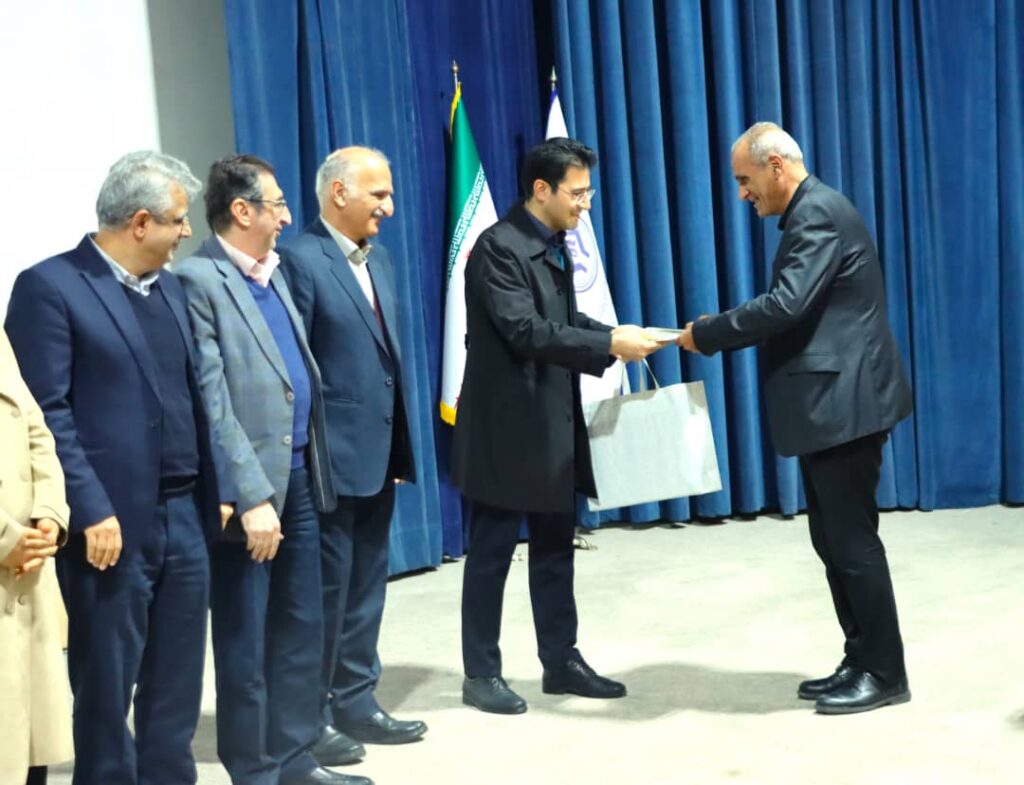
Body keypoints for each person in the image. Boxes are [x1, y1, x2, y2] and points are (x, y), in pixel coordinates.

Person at [5, 151, 226, 784]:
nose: (187, 232)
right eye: (178, 220)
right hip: (109, 523)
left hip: (185, 513)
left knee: (177, 678)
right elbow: (46, 413)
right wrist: (90, 508)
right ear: (140, 222)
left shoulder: (172, 289)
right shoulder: (50, 287)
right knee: (106, 683)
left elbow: (197, 397)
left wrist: (220, 487)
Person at [678, 121, 913, 715]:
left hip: (847, 404)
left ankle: (885, 673)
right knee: (831, 539)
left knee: (852, 542)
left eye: (745, 179)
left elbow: (786, 304)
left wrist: (708, 333)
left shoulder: (817, 215)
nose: (742, 193)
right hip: (833, 403)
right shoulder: (813, 212)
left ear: (776, 166)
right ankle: (861, 657)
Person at [175, 155, 369, 785]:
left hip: (302, 479)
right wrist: (250, 494)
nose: (287, 216)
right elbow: (213, 403)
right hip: (250, 494)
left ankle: (294, 757)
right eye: (277, 204)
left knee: (301, 626)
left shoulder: (274, 272)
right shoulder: (198, 280)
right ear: (242, 210)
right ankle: (254, 769)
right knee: (247, 639)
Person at [451, 137, 662, 714]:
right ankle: (481, 674)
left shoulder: (553, 243)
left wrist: (616, 334)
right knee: (492, 554)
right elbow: (525, 330)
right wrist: (607, 344)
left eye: (589, 193)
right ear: (541, 189)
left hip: (552, 423)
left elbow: (563, 318)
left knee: (554, 550)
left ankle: (561, 661)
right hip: (504, 430)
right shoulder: (499, 248)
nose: (585, 205)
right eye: (578, 193)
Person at [279, 147, 426, 754]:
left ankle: (358, 701)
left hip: (379, 453)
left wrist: (397, 447)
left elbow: (385, 361)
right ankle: (310, 718)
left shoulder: (380, 259)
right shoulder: (299, 259)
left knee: (368, 586)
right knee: (325, 594)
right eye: (378, 195)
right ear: (338, 193)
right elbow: (296, 368)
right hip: (329, 461)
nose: (389, 207)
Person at [0, 327, 72, 785]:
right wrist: (5, 538)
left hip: (27, 566)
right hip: (11, 548)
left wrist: (49, 512)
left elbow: (34, 426)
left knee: (26, 755)